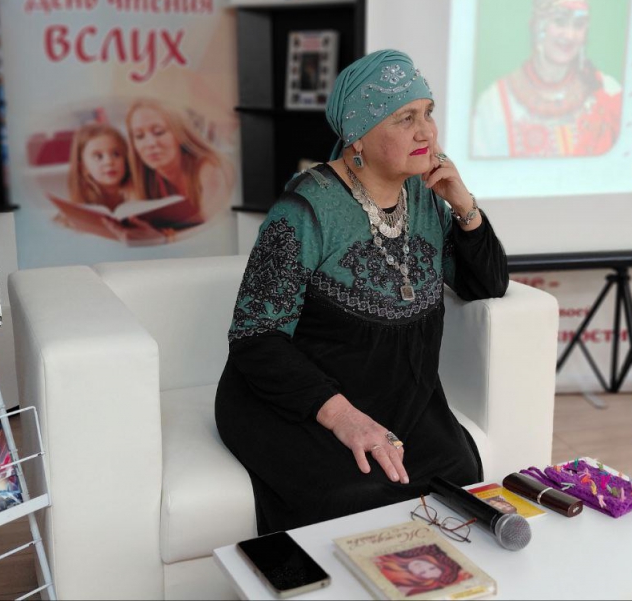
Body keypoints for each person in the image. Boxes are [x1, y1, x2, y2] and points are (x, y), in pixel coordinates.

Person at [215, 49, 509, 534]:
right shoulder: (305, 210)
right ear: (358, 137)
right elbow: (255, 337)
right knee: (353, 495)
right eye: (405, 119)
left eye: (428, 113)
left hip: (400, 398)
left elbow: (486, 284)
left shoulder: (426, 197)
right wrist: (343, 417)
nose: (426, 132)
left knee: (458, 476)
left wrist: (464, 205)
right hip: (302, 404)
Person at [471, 0, 622, 158]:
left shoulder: (608, 92)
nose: (569, 35)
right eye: (559, 21)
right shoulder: (495, 103)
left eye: (578, 24)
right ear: (537, 25)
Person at [125, 99, 235, 227]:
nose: (150, 143)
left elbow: (214, 227)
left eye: (159, 132)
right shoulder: (143, 180)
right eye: (139, 136)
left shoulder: (209, 168)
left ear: (180, 134)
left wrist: (165, 236)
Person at [57, 122, 164, 244]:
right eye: (98, 156)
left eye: (116, 154)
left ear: (126, 159)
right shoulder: (74, 213)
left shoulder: (142, 195)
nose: (109, 162)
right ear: (83, 168)